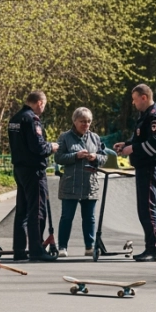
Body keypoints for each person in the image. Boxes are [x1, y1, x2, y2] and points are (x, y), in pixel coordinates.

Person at [114, 84, 156, 262]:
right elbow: (140, 138)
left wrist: (132, 149)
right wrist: (126, 144)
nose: (133, 103)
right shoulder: (144, 116)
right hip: (143, 167)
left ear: (144, 97)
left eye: (135, 99)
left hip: (151, 167)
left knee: (148, 208)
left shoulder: (154, 117)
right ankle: (149, 247)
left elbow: (154, 145)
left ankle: (155, 249)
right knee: (143, 209)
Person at [7, 90, 59, 262]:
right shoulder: (32, 119)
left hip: (19, 168)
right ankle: (36, 250)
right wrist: (51, 147)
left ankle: (19, 249)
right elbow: (38, 146)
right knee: (37, 210)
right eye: (44, 105)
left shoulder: (15, 119)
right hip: (34, 170)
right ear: (40, 103)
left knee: (22, 211)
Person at [54, 107, 105, 257]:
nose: (86, 124)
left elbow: (103, 157)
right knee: (66, 217)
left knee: (89, 218)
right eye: (82, 121)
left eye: (88, 121)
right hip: (70, 184)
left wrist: (96, 157)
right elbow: (58, 158)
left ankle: (90, 246)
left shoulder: (95, 138)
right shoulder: (65, 137)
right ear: (74, 121)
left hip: (90, 184)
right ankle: (62, 247)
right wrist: (75, 155)